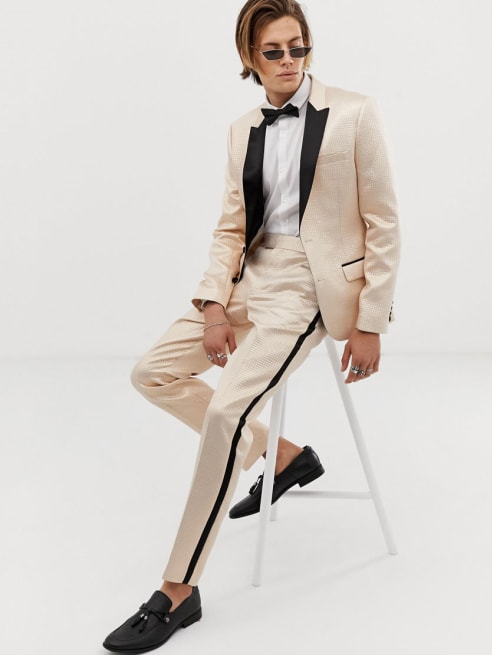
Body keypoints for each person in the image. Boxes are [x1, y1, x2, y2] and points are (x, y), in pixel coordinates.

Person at [103, 0, 400, 651]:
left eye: (298, 46)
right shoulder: (243, 129)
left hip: (310, 288)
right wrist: (213, 305)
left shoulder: (355, 112)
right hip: (247, 280)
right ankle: (284, 455)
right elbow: (231, 227)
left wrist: (370, 320)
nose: (290, 60)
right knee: (151, 372)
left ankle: (177, 589)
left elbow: (382, 220)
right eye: (274, 51)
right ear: (249, 58)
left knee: (223, 414)